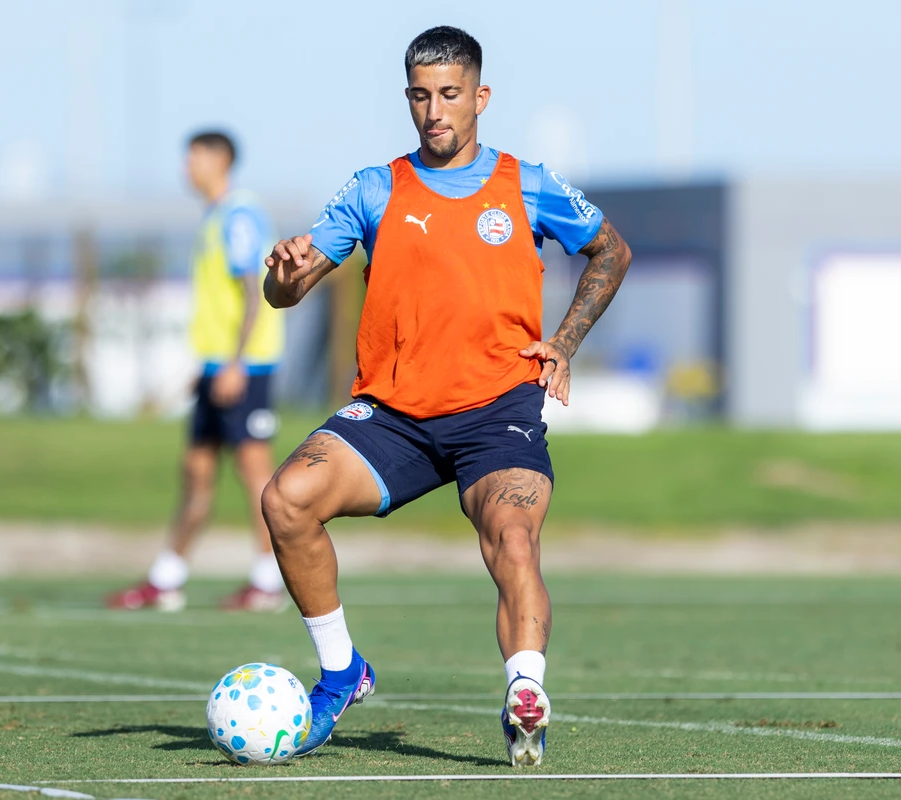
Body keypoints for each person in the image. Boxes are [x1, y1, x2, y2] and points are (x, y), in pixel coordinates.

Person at [262, 26, 631, 766]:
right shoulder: (374, 187)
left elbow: (610, 251)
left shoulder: (524, 184)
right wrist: (282, 270)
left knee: (515, 540)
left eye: (450, 95)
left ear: (480, 98)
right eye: (421, 96)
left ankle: (526, 691)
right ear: (409, 99)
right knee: (285, 499)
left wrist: (562, 344)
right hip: (393, 415)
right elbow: (288, 292)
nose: (435, 111)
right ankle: (341, 672)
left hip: (497, 412)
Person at [107, 130, 287, 613]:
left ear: (219, 160)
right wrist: (205, 366)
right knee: (196, 472)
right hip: (214, 367)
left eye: (193, 157)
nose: (186, 167)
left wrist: (235, 362)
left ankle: (267, 581)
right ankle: (167, 578)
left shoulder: (239, 215)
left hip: (244, 368)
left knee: (256, 476)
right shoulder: (214, 217)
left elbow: (254, 292)